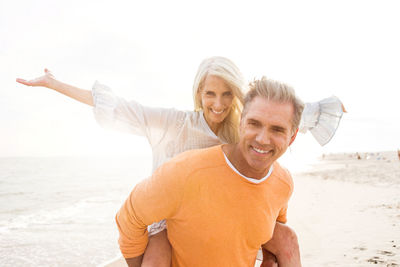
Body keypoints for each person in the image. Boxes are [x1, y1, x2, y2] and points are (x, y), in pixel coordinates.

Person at [16, 57, 344, 266]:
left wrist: (330, 106)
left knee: (285, 239)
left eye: (227, 94)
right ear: (198, 94)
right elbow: (121, 107)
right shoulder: (176, 123)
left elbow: (288, 115)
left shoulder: (241, 131)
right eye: (209, 94)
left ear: (238, 98)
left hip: (223, 212)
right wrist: (55, 84)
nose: (217, 103)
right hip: (168, 214)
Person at [116, 77, 303, 267]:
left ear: (292, 136)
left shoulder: (283, 183)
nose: (263, 139)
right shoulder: (186, 172)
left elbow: (271, 229)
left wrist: (270, 259)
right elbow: (129, 218)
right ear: (241, 123)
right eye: (254, 123)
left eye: (277, 130)